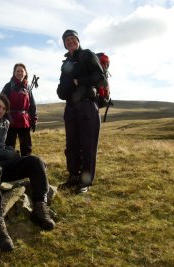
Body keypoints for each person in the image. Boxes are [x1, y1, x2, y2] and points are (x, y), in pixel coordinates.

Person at [0, 93, 55, 251]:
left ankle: (40, 207)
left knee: (35, 161)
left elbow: (1, 146)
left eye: (3, 108)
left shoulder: (5, 123)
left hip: (2, 165)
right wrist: (5, 153)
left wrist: (9, 151)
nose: (0, 110)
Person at [56, 29, 105, 194]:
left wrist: (79, 81)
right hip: (70, 108)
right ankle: (73, 177)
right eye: (66, 40)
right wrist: (64, 89)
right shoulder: (65, 64)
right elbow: (61, 91)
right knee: (71, 146)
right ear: (64, 44)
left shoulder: (87, 55)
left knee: (88, 145)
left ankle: (85, 182)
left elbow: (100, 77)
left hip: (87, 106)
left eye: (72, 39)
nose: (70, 42)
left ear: (77, 40)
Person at [1, 63, 38, 157]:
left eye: (22, 71)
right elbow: (1, 102)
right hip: (10, 120)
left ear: (25, 73)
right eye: (17, 71)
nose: (20, 73)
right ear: (14, 73)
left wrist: (33, 120)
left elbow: (32, 105)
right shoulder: (8, 86)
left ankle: (26, 165)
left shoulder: (28, 87)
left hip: (24, 121)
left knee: (26, 147)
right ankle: (9, 166)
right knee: (9, 145)